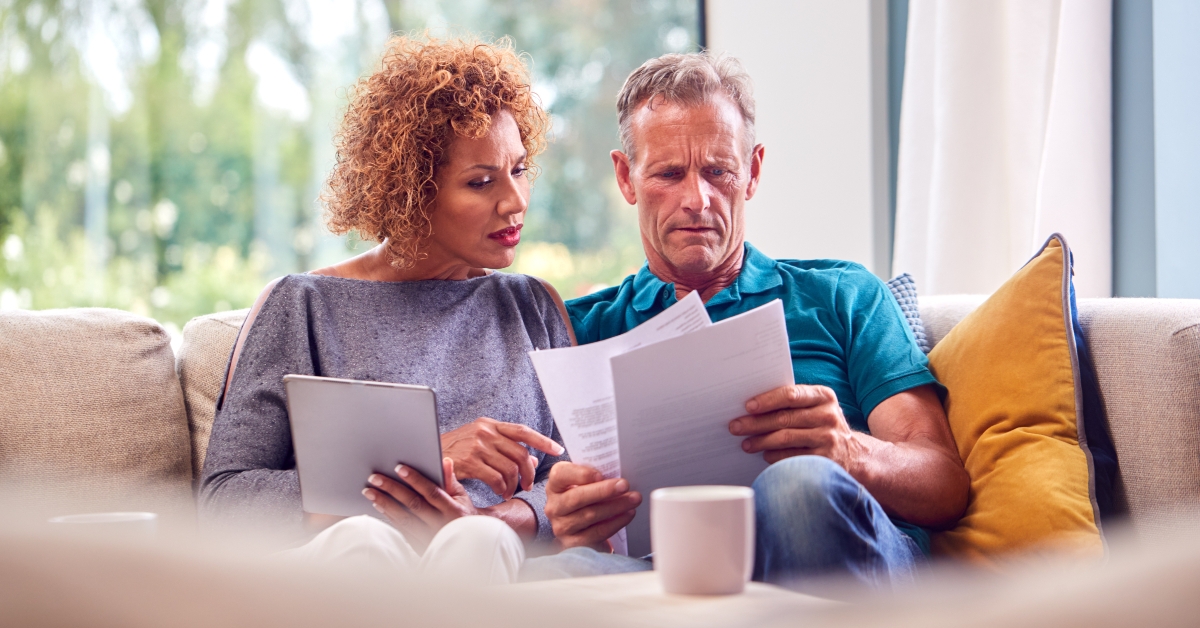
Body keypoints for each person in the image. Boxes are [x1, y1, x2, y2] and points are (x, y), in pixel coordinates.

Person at [534, 52, 970, 589]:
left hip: (839, 561)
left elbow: (945, 483)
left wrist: (850, 451)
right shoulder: (577, 329)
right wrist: (570, 519)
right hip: (664, 575)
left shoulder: (843, 295)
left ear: (753, 172)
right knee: (560, 573)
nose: (697, 199)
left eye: (719, 172)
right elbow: (554, 502)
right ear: (627, 178)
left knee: (798, 486)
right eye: (669, 174)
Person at [199, 36, 576, 581]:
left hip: (486, 566)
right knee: (365, 538)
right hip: (352, 568)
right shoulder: (303, 305)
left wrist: (499, 517)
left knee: (476, 541)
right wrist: (416, 458)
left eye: (518, 170)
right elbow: (225, 501)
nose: (514, 201)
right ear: (411, 189)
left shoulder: (531, 307)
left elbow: (575, 479)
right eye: (481, 182)